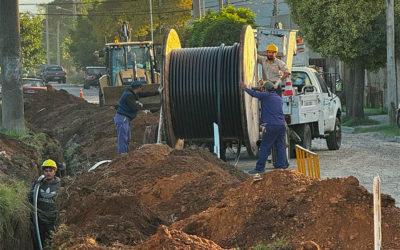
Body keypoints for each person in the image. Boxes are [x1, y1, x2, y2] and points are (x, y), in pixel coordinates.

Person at [240, 81, 287, 173]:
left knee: (265, 146)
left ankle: (259, 168)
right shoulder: (278, 97)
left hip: (271, 126)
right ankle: (282, 167)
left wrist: (245, 88)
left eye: (263, 89)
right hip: (282, 125)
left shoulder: (266, 96)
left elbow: (254, 94)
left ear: (265, 90)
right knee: (280, 146)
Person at [114, 80, 161, 154]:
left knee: (127, 138)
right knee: (123, 139)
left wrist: (157, 92)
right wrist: (139, 105)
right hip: (122, 118)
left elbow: (145, 94)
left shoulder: (132, 93)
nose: (141, 89)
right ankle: (122, 155)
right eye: (141, 88)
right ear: (138, 88)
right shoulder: (129, 96)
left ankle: (125, 154)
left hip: (125, 119)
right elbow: (134, 107)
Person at [29, 159, 61, 249]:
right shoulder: (39, 183)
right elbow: (30, 197)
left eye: (50, 171)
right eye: (46, 171)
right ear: (43, 172)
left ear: (55, 171)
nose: (48, 173)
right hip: (39, 219)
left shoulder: (59, 185)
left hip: (52, 220)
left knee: (52, 240)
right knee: (38, 240)